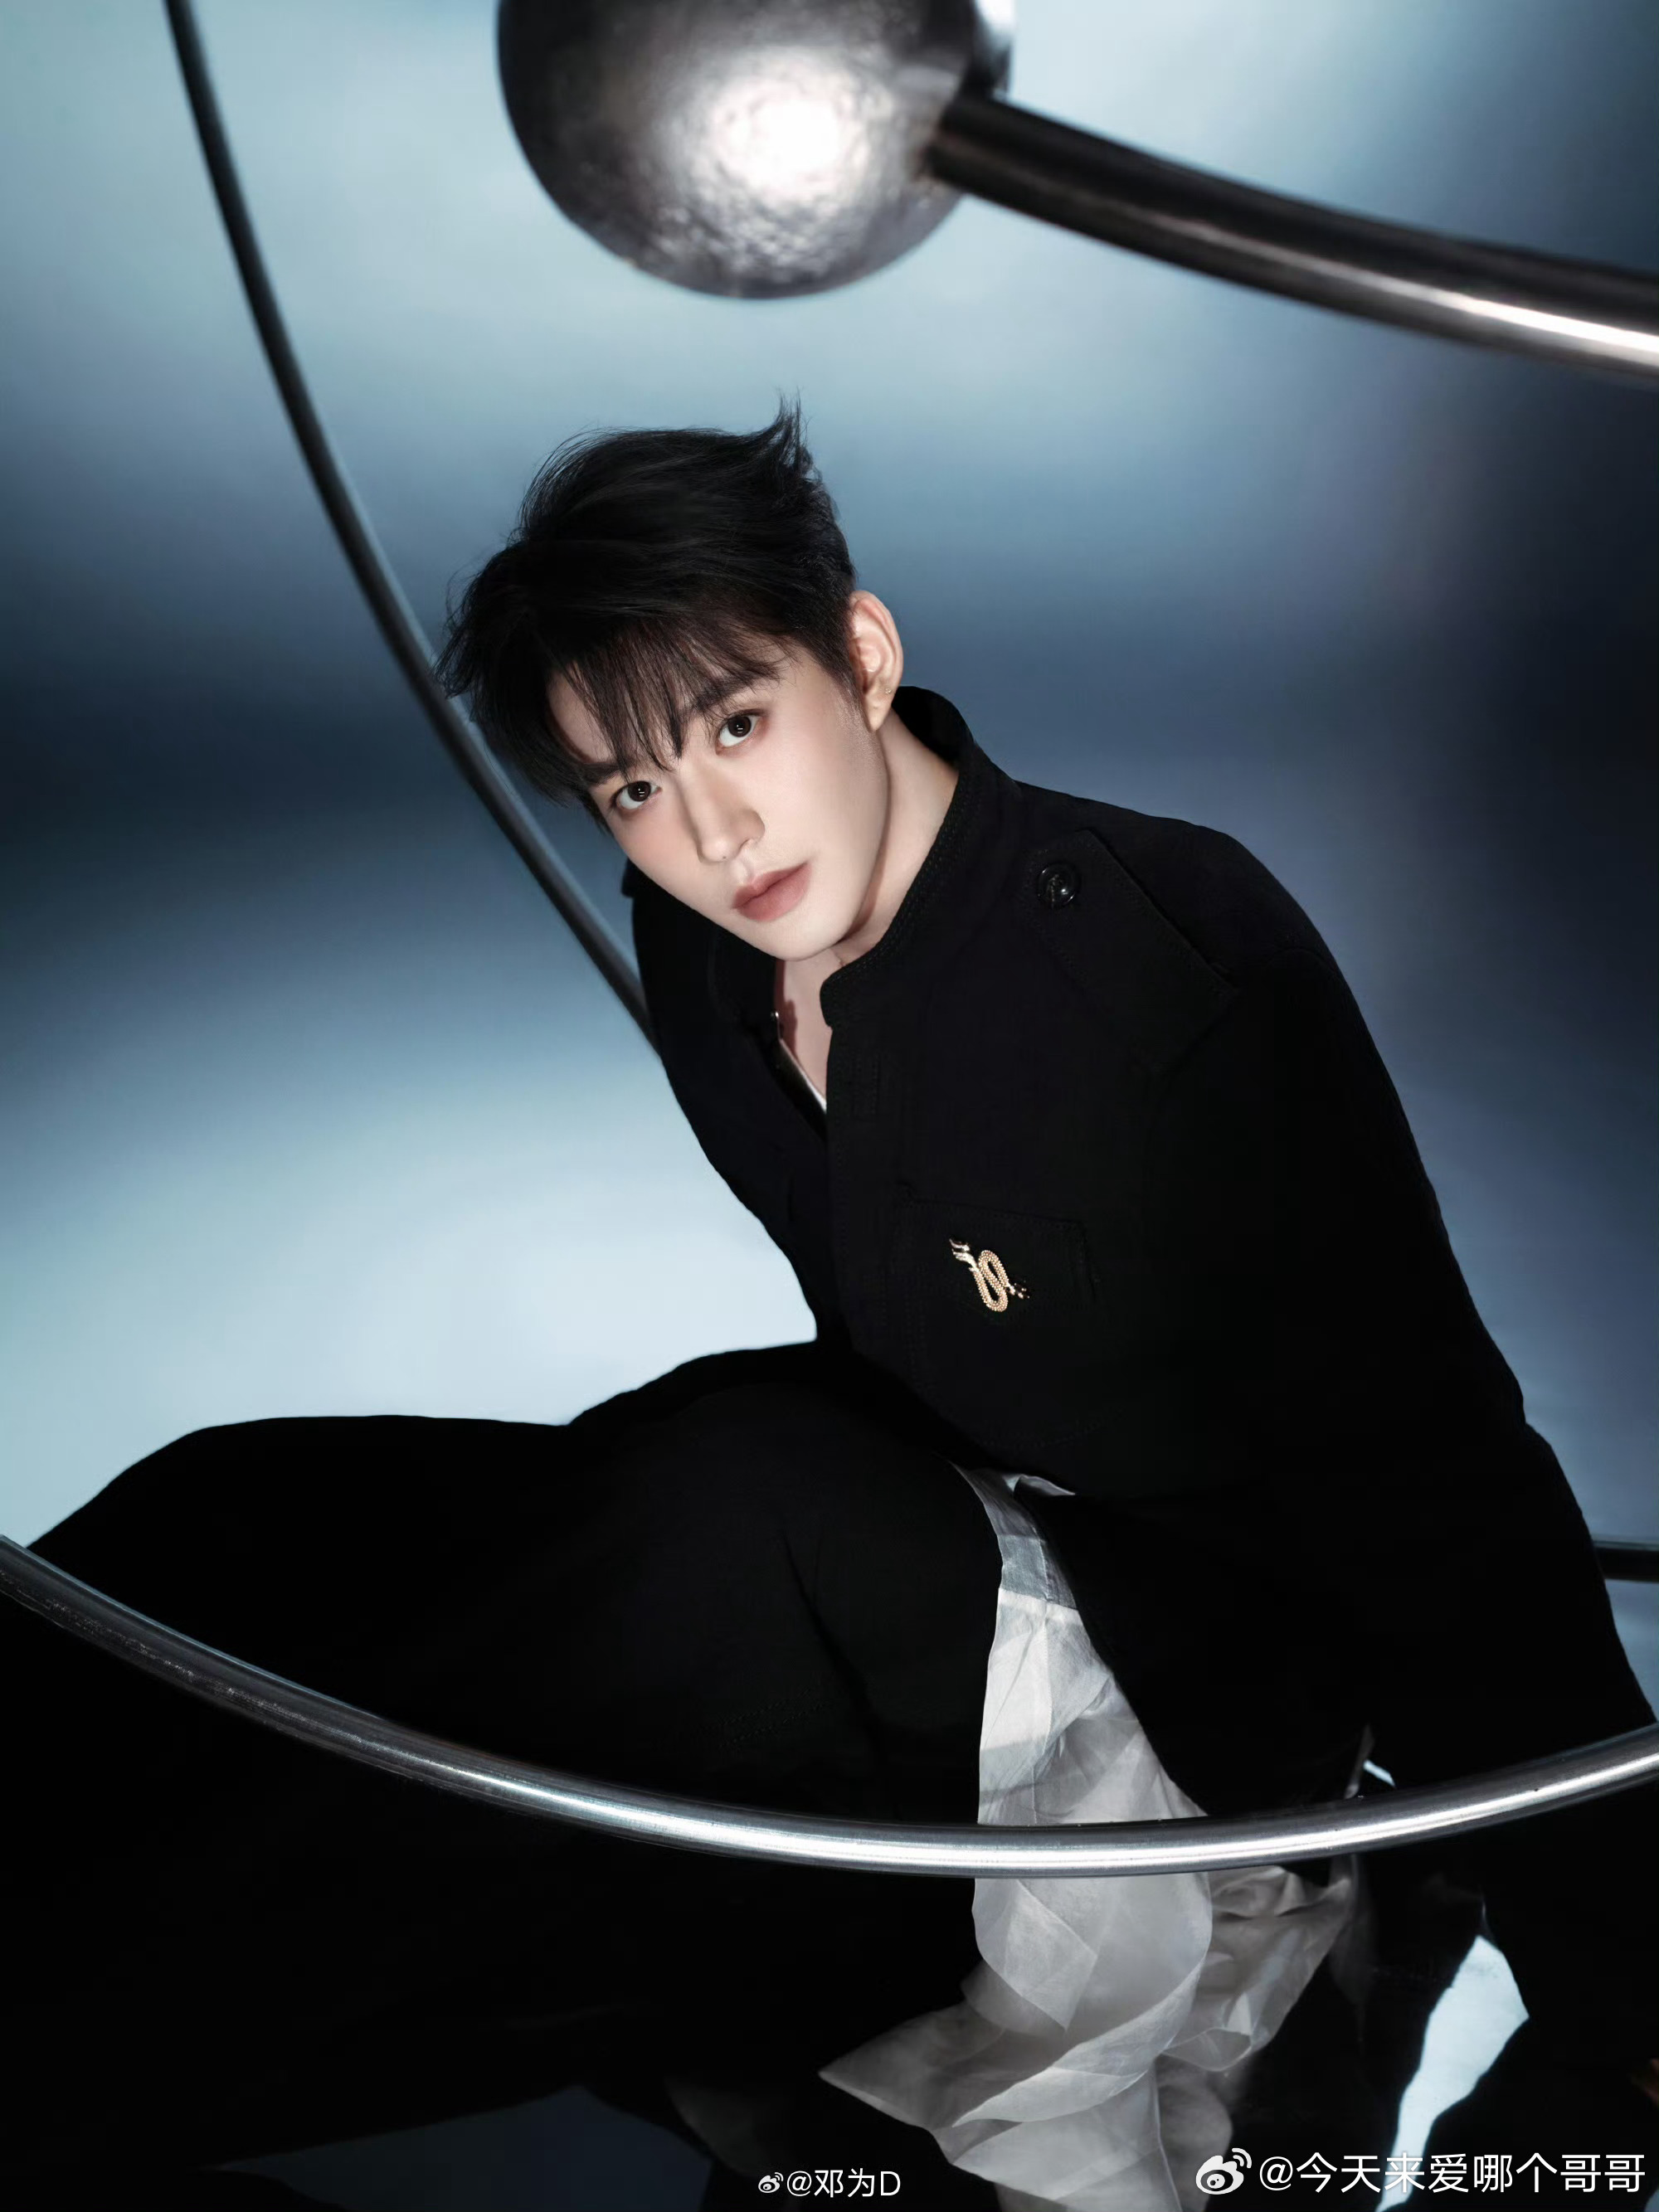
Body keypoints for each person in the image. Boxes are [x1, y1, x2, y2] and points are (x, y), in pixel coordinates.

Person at [2, 404, 1651, 2211]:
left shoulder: (1168, 952)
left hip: (1183, 1689)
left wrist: (1614, 2000)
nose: (711, 829)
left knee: (705, 1526)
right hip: (920, 1536)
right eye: (632, 789)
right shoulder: (715, 944)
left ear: (858, 656)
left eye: (736, 723)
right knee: (251, 1513)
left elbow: (1441, 1478)